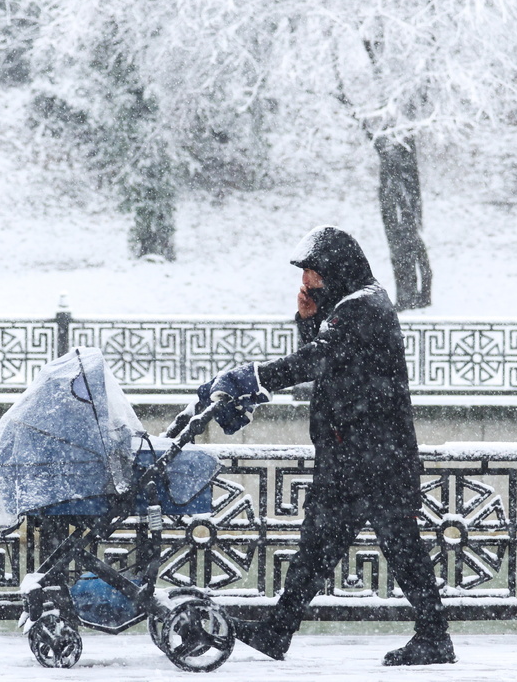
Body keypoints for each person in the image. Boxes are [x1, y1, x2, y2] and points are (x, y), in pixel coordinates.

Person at [195, 225, 455, 666]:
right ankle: (280, 630)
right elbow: (330, 359)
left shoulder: (362, 307)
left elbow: (317, 359)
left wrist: (251, 378)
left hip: (372, 455)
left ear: (335, 269)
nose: (306, 281)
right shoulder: (358, 303)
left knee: (396, 545)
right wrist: (309, 317)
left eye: (313, 273)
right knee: (322, 544)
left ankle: (433, 636)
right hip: (360, 453)